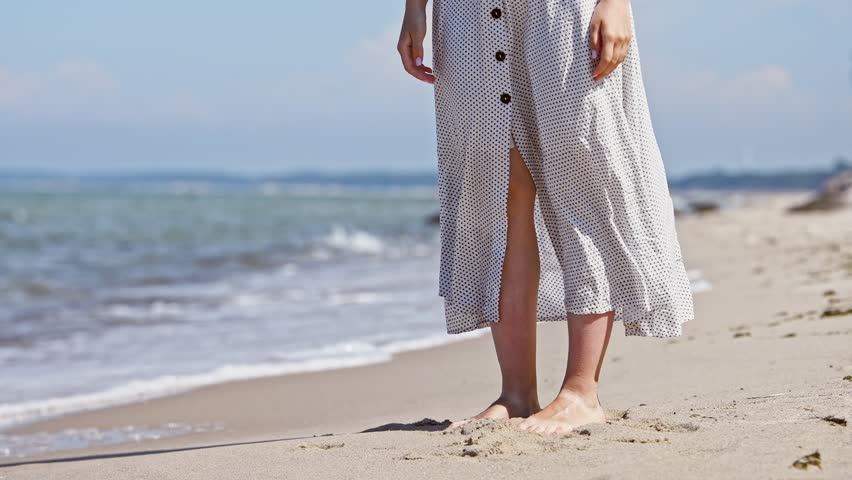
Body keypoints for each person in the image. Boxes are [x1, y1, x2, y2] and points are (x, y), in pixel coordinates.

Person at [397, 0, 695, 435]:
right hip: (465, 15)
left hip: (561, 10)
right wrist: (414, 7)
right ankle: (516, 394)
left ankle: (581, 392)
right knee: (496, 187)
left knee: (585, 177)